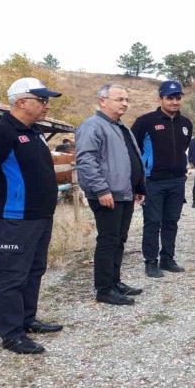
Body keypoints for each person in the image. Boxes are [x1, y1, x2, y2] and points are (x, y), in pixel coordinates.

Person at [0, 77, 64, 355]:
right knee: (11, 275)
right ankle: (11, 334)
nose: (47, 105)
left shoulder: (34, 132)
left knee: (34, 270)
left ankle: (26, 319)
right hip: (14, 217)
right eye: (42, 100)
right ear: (22, 102)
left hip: (40, 215)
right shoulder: (0, 132)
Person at [75, 84, 145, 306]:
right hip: (107, 194)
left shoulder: (121, 127)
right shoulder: (92, 126)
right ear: (102, 101)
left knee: (119, 239)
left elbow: (131, 158)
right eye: (119, 99)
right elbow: (87, 161)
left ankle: (115, 282)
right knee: (108, 240)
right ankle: (104, 289)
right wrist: (102, 189)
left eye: (126, 99)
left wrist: (139, 187)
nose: (124, 103)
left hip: (124, 193)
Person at [132, 81, 192, 278]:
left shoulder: (186, 124)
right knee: (152, 222)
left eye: (178, 98)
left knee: (171, 221)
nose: (174, 102)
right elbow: (133, 150)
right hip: (153, 181)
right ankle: (151, 262)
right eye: (170, 98)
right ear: (160, 99)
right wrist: (137, 182)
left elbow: (184, 148)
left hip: (177, 181)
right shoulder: (145, 122)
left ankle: (167, 258)